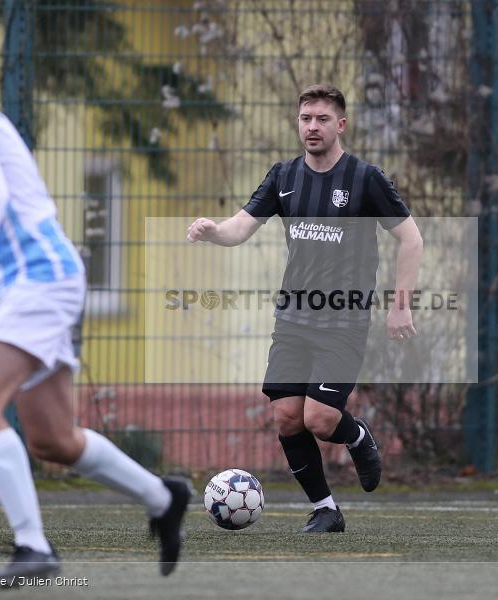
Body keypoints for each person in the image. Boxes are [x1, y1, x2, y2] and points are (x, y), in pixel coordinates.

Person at [0, 22, 190, 587]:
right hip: (40, 278)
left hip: (39, 279)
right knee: (53, 437)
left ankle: (33, 546)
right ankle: (164, 497)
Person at [187, 84, 423, 532]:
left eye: (322, 119)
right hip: (293, 319)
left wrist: (400, 306)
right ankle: (326, 510)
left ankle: (357, 435)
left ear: (341, 125)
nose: (312, 127)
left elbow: (411, 239)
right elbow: (240, 228)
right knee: (287, 417)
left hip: (344, 321)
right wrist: (213, 230)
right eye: (305, 119)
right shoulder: (284, 176)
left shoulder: (365, 179)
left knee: (320, 418)